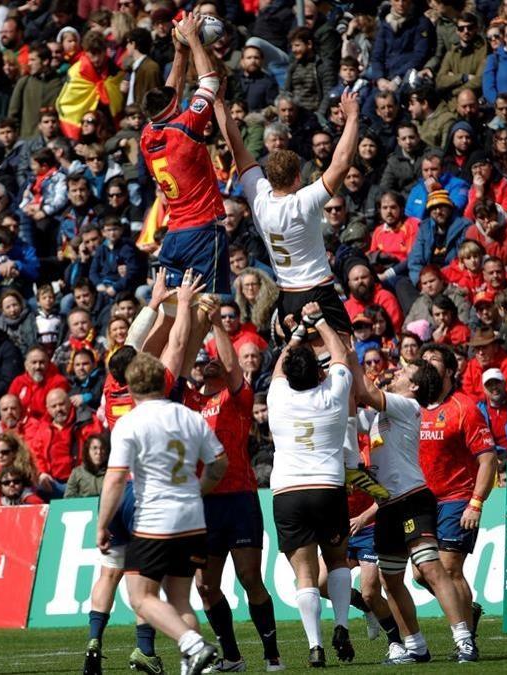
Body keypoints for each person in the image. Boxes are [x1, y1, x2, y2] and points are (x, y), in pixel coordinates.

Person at [266, 301, 385, 666]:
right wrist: (319, 320)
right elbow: (341, 355)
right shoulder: (333, 395)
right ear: (318, 374)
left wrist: (298, 332)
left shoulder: (277, 396)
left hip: (287, 491)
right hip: (327, 488)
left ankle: (315, 645)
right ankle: (342, 627)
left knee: (304, 573)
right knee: (335, 562)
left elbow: (278, 368)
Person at [96, 352, 228, 675]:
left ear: (129, 385)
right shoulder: (188, 417)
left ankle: (194, 645)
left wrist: (102, 524)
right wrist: (199, 489)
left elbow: (115, 478)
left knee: (141, 598)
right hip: (193, 519)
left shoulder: (129, 422)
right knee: (180, 599)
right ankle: (197, 667)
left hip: (155, 521)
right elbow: (219, 463)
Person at [356, 361, 479, 664]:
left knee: (431, 569)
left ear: (413, 387)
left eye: (403, 372)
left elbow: (365, 390)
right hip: (387, 505)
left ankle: (465, 641)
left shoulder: (405, 404)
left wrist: (343, 352)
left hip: (412, 499)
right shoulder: (379, 413)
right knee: (390, 580)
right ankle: (415, 646)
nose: (394, 371)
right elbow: (352, 406)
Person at [184, 307, 282, 671]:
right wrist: (194, 323)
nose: (210, 364)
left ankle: (272, 655)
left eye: (216, 362)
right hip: (203, 504)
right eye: (205, 363)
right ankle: (232, 657)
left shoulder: (238, 398)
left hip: (239, 498)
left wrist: (212, 323)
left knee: (249, 578)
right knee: (205, 586)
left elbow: (232, 364)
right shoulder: (189, 402)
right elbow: (178, 366)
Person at [220, 82, 361, 333]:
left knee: (294, 361)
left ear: (269, 177)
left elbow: (237, 147)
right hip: (318, 290)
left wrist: (219, 104)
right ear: (298, 177)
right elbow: (341, 163)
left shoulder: (259, 197)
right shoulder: (303, 202)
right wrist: (352, 117)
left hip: (287, 296)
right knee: (345, 353)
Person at [138, 14, 229, 297]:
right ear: (175, 107)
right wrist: (192, 39)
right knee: (208, 306)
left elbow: (171, 92)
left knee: (169, 311)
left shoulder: (147, 135)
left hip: (174, 234)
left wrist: (179, 53)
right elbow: (210, 84)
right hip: (201, 232)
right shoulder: (185, 129)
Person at [415, 343, 491, 655]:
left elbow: (488, 460)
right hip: (421, 501)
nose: (426, 365)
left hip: (457, 498)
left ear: (449, 370)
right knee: (420, 574)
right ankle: (467, 610)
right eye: (423, 361)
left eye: (433, 361)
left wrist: (475, 502)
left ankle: (465, 642)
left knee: (448, 569)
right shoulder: (413, 407)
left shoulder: (465, 408)